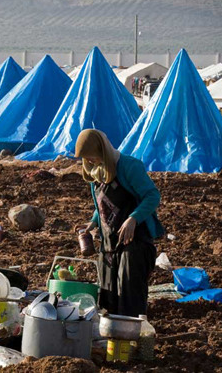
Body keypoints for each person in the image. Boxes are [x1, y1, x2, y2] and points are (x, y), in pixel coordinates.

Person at [75, 129, 164, 317]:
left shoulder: (129, 167)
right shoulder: (96, 173)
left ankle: (131, 339)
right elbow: (103, 204)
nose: (89, 161)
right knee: (107, 299)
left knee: (129, 296)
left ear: (102, 150)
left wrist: (134, 218)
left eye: (91, 156)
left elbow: (152, 195)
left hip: (133, 243)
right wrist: (93, 222)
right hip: (108, 245)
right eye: (85, 158)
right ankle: (110, 341)